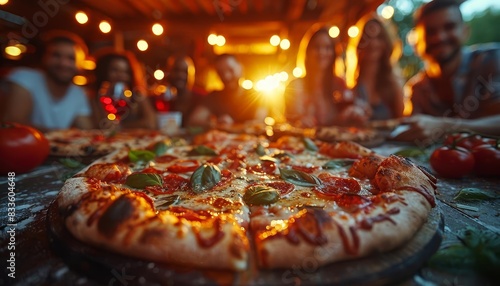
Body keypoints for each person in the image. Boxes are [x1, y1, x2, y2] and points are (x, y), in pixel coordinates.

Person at [395, 0, 500, 143]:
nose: (440, 37)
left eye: (449, 27)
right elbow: (408, 135)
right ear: (417, 40)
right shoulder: (416, 89)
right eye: (430, 31)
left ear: (465, 31)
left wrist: (445, 126)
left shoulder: (492, 60)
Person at [2, 31, 93, 131]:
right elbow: (14, 124)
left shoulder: (78, 93)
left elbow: (86, 130)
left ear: (80, 65)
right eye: (56, 55)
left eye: (71, 58)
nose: (63, 63)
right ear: (44, 57)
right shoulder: (24, 77)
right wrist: (63, 135)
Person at [283, 25, 358, 127]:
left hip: (337, 141)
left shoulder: (340, 84)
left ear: (334, 53)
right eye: (316, 47)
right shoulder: (295, 86)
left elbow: (346, 119)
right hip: (304, 141)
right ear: (307, 52)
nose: (322, 52)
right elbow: (288, 122)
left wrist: (353, 113)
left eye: (327, 48)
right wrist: (299, 121)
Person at [345, 14, 405, 121]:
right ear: (359, 44)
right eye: (368, 38)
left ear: (386, 43)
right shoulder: (350, 86)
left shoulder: (394, 85)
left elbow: (402, 121)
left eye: (378, 38)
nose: (372, 43)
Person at [188, 54, 266, 127]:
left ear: (241, 68)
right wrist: (216, 123)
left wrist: (233, 125)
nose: (226, 76)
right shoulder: (214, 97)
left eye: (230, 70)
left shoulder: (256, 96)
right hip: (221, 140)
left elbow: (259, 122)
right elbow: (194, 121)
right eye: (221, 73)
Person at [91, 50, 157, 130]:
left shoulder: (137, 95)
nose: (120, 75)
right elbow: (100, 124)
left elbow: (150, 123)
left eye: (125, 72)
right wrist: (102, 100)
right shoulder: (97, 96)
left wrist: (121, 127)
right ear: (104, 72)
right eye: (114, 70)